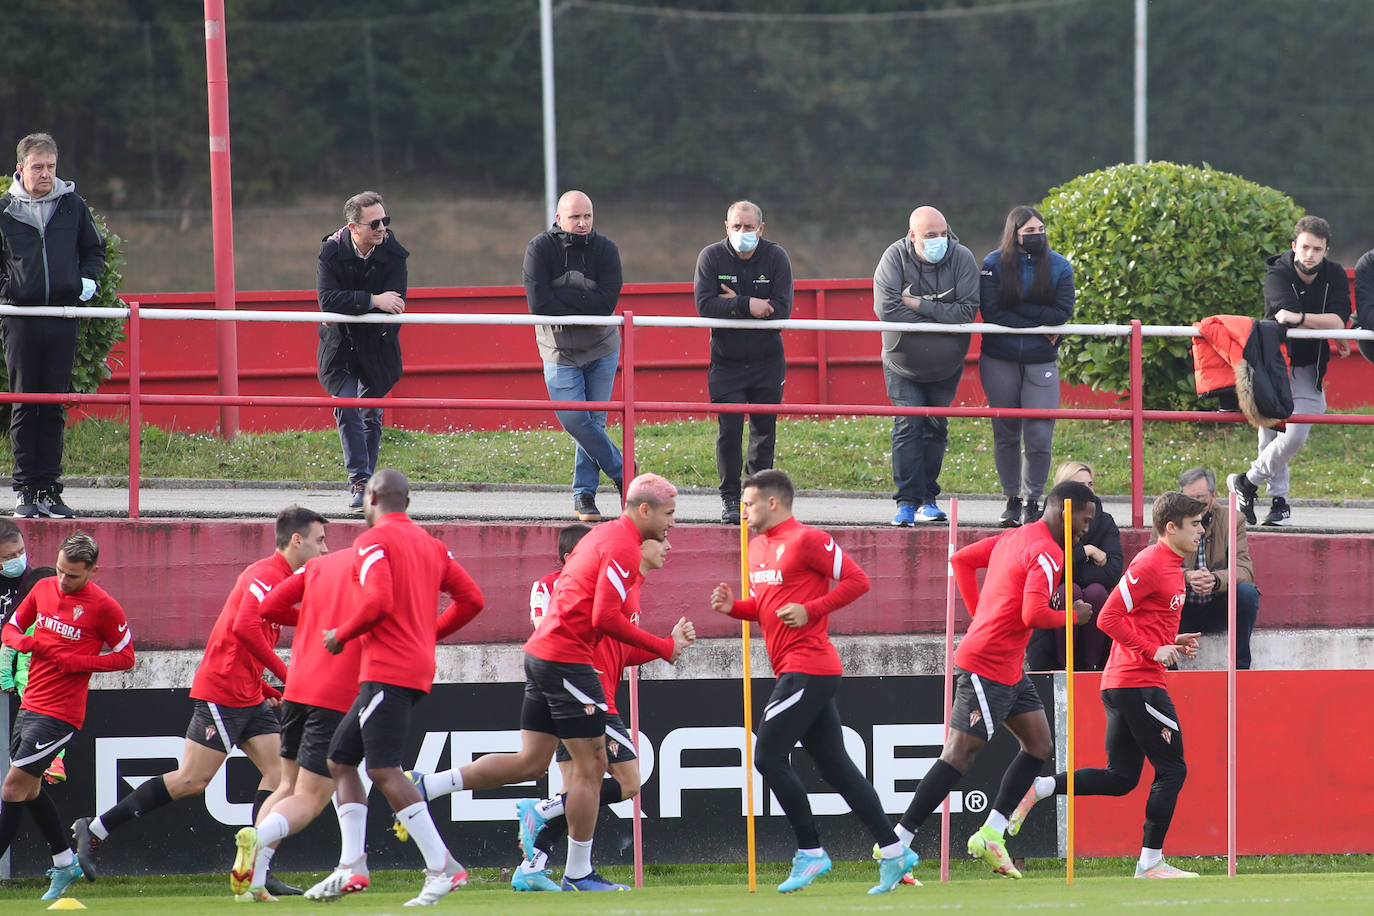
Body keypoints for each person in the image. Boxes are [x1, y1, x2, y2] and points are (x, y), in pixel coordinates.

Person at [410, 473, 691, 892]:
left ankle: (424, 786)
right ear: (643, 510)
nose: (672, 528)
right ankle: (578, 872)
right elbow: (604, 619)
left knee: (531, 762)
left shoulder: (605, 537)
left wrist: (660, 645)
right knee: (591, 768)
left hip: (544, 655)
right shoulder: (621, 547)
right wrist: (663, 646)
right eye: (669, 516)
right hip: (569, 661)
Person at [71, 506, 328, 897]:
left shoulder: (284, 579)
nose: (324, 549)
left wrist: (270, 688)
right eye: (320, 540)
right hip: (224, 691)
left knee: (281, 777)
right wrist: (289, 679)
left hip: (251, 693)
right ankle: (95, 828)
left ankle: (257, 869)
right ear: (297, 540)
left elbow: (267, 624)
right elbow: (244, 627)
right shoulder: (265, 574)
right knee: (192, 780)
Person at [709, 469, 918, 896]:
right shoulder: (754, 547)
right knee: (835, 767)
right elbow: (768, 608)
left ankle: (811, 851)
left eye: (748, 503)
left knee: (767, 755)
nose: (742, 511)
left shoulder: (807, 539)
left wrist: (812, 610)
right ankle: (895, 852)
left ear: (773, 502)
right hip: (795, 667)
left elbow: (859, 581)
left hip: (809, 666)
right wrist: (736, 608)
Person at [892, 480, 1095, 879]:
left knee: (1038, 744)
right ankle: (897, 844)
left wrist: (978, 615)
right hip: (988, 664)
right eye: (1084, 521)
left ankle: (992, 832)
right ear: (1063, 511)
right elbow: (1033, 615)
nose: (1086, 530)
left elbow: (962, 561)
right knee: (958, 756)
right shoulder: (1048, 552)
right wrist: (1075, 616)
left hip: (1009, 666)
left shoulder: (1015, 536)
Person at [1008, 491, 1208, 879]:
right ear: (1171, 528)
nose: (1201, 530)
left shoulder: (1171, 566)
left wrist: (1173, 641)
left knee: (1121, 779)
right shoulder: (1151, 562)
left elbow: (1145, 619)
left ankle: (1044, 786)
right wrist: (1154, 650)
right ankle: (1150, 864)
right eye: (1195, 524)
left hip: (1128, 681)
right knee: (1173, 770)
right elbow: (1108, 616)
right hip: (1138, 682)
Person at [317, 469, 485, 908]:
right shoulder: (432, 545)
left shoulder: (372, 542)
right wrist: (429, 633)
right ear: (407, 502)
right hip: (411, 668)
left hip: (387, 668)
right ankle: (352, 864)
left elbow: (377, 602)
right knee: (340, 758)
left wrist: (341, 634)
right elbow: (473, 600)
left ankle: (442, 865)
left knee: (384, 769)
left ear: (370, 496)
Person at [226, 546, 364, 903]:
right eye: (320, 539)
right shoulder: (374, 572)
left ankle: (255, 880)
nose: (324, 545)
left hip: (298, 688)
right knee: (313, 796)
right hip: (336, 694)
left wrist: (310, 620)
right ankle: (260, 838)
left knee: (287, 785)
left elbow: (269, 606)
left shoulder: (317, 568)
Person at [0, 532, 133, 901]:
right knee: (30, 788)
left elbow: (126, 657)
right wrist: (28, 642)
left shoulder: (105, 607)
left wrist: (80, 662)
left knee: (12, 787)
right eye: (60, 570)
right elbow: (10, 629)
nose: (63, 580)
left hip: (60, 712)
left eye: (72, 575)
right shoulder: (42, 587)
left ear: (92, 571)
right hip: (30, 701)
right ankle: (64, 862)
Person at [0, 133, 106, 519]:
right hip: (21, 321)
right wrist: (9, 291)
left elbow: (94, 250)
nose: (46, 174)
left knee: (55, 403)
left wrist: (86, 285)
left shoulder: (72, 206)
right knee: (26, 404)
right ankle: (25, 490)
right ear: (21, 169)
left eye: (51, 167)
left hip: (63, 316)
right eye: (38, 167)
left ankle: (50, 489)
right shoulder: (5, 210)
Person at [1227, 216, 1350, 527]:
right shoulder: (1278, 270)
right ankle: (1279, 502)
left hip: (1311, 367)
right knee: (1269, 432)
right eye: (1305, 247)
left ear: (1326, 251)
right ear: (1294, 246)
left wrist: (1303, 318)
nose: (1310, 254)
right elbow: (1282, 315)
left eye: (1317, 249)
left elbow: (1338, 320)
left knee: (1294, 434)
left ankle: (1247, 481)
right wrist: (1317, 321)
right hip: (1275, 363)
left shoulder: (1334, 274)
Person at [524, 190, 626, 523]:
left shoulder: (606, 249)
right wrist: (585, 300)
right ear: (558, 218)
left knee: (593, 422)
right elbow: (539, 306)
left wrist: (563, 300)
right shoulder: (540, 248)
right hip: (558, 350)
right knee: (574, 420)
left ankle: (584, 495)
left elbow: (605, 305)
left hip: (602, 348)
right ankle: (626, 473)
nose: (582, 223)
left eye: (587, 216)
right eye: (574, 217)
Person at [874, 206, 979, 526]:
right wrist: (940, 315)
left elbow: (967, 312)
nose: (939, 241)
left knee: (936, 428)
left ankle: (928, 499)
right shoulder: (893, 257)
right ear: (912, 236)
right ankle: (906, 502)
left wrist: (918, 305)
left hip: (946, 365)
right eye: (930, 236)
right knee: (908, 425)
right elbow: (887, 309)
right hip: (901, 363)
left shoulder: (962, 258)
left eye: (943, 234)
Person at [694, 201, 794, 524]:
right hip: (726, 361)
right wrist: (748, 303)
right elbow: (705, 305)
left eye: (748, 227)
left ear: (761, 229)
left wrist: (731, 303)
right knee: (730, 431)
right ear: (726, 227)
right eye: (736, 227)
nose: (742, 233)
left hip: (768, 360)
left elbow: (781, 309)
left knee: (764, 431)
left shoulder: (776, 257)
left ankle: (757, 499)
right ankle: (730, 499)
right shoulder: (711, 257)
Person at [978, 205, 1075, 528]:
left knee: (1039, 436)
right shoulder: (993, 264)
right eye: (1029, 231)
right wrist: (1036, 319)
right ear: (1014, 234)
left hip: (1041, 361)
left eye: (1040, 230)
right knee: (1005, 432)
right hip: (998, 358)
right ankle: (1011, 499)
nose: (1037, 236)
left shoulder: (1060, 266)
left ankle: (1033, 500)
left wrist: (1017, 307)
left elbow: (1061, 313)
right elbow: (992, 314)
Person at [317, 190, 408, 511]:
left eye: (386, 220)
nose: (383, 228)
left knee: (371, 411)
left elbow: (395, 304)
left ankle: (366, 484)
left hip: (378, 344)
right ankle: (359, 479)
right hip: (340, 345)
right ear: (354, 227)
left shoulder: (394, 252)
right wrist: (373, 300)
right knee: (346, 406)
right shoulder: (330, 252)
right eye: (375, 224)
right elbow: (327, 300)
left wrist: (370, 303)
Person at [1025, 461, 1122, 672]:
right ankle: (1062, 664)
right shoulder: (1039, 523)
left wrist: (1070, 566)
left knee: (1095, 591)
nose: (1087, 490)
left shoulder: (1105, 522)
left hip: (1095, 608)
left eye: (1090, 484)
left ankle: (1093, 666)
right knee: (1069, 590)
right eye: (1079, 485)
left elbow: (1113, 573)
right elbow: (1045, 571)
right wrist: (1084, 552)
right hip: (1052, 608)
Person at [1178, 466, 1260, 669]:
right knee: (1156, 596)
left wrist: (1215, 580)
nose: (1195, 506)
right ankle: (1166, 671)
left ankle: (1241, 668)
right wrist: (1188, 577)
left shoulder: (1234, 520)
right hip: (1180, 608)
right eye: (1189, 500)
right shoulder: (1167, 520)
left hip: (1216, 605)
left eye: (1201, 499)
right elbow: (1154, 571)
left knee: (1247, 593)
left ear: (1214, 497)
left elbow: (1245, 571)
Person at [0, 519, 61, 783]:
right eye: (9, 556)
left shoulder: (36, 581)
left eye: (21, 552)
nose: (18, 559)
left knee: (19, 771)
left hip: (22, 683)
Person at [530, 524, 591, 627]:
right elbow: (542, 629)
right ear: (569, 557)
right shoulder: (545, 586)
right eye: (591, 552)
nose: (598, 557)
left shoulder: (606, 582)